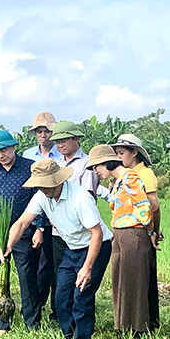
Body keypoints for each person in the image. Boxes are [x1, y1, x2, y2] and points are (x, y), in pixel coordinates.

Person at [3, 158, 112, 339]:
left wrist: (87, 268)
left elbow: (97, 233)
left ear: (58, 181)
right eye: (39, 185)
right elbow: (22, 223)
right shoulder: (41, 196)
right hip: (71, 249)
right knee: (61, 297)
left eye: (46, 185)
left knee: (82, 296)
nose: (43, 189)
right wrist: (9, 245)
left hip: (96, 247)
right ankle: (68, 337)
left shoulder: (80, 198)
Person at [0, 130, 45, 335]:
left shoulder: (29, 168)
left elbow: (39, 199)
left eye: (3, 150)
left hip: (22, 228)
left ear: (13, 147)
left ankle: (32, 322)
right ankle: (2, 322)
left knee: (26, 275)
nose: (0, 155)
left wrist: (39, 228)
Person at [87, 145, 154, 336]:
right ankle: (123, 325)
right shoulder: (118, 181)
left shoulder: (131, 177)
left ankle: (138, 327)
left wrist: (149, 231)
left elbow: (143, 208)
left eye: (96, 167)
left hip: (133, 232)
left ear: (106, 163)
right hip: (119, 233)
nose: (96, 172)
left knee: (134, 280)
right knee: (120, 280)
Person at [45, 120, 100, 320]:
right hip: (58, 231)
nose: (60, 145)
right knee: (60, 276)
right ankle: (61, 316)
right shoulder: (55, 164)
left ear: (76, 139)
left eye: (64, 140)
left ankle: (81, 319)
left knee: (83, 278)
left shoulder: (86, 164)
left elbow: (88, 196)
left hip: (82, 232)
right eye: (57, 141)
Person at [111, 134, 162, 331]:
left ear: (134, 153)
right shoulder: (125, 174)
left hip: (138, 228)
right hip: (129, 229)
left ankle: (141, 324)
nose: (119, 156)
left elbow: (153, 205)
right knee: (133, 277)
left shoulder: (143, 174)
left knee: (139, 278)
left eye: (122, 152)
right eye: (117, 153)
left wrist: (154, 231)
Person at [22, 112, 61, 323]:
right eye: (39, 131)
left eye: (46, 130)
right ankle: (36, 305)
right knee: (35, 265)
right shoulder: (28, 156)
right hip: (34, 215)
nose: (43, 134)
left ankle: (57, 309)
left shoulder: (60, 156)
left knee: (53, 265)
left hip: (55, 218)